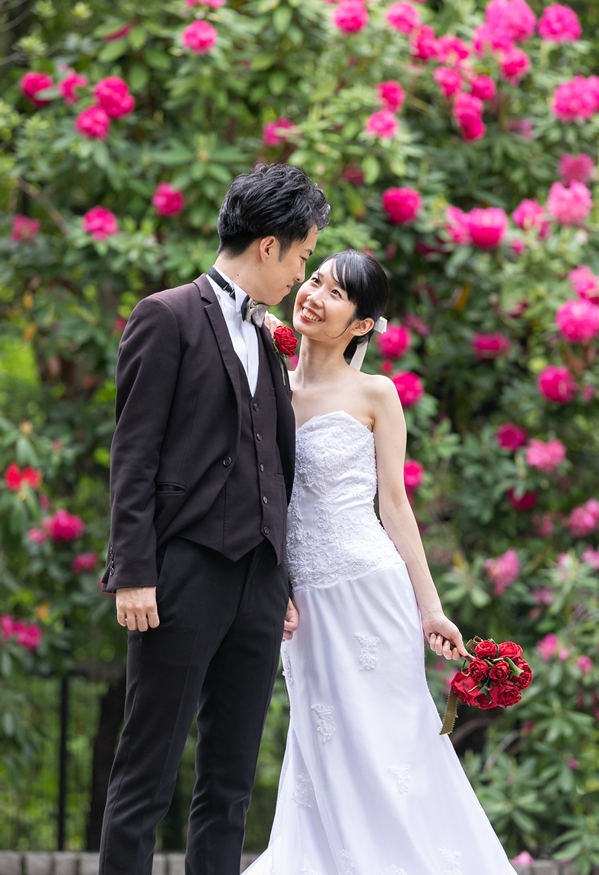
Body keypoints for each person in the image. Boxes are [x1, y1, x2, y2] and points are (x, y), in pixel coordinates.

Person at [245, 249, 517, 875]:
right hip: (303, 604)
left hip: (369, 589)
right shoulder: (268, 388)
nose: (314, 295)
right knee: (321, 745)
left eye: (336, 294)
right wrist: (272, 584)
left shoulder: (376, 393)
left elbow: (394, 505)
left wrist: (432, 610)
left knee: (392, 745)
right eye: (315, 280)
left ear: (362, 324)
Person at [98, 164, 330, 875]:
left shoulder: (267, 336)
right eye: (301, 255)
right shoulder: (165, 316)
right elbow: (133, 455)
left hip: (259, 583)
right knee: (146, 773)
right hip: (183, 573)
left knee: (229, 785)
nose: (301, 274)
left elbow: (272, 463)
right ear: (268, 246)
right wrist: (133, 573)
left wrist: (279, 575)